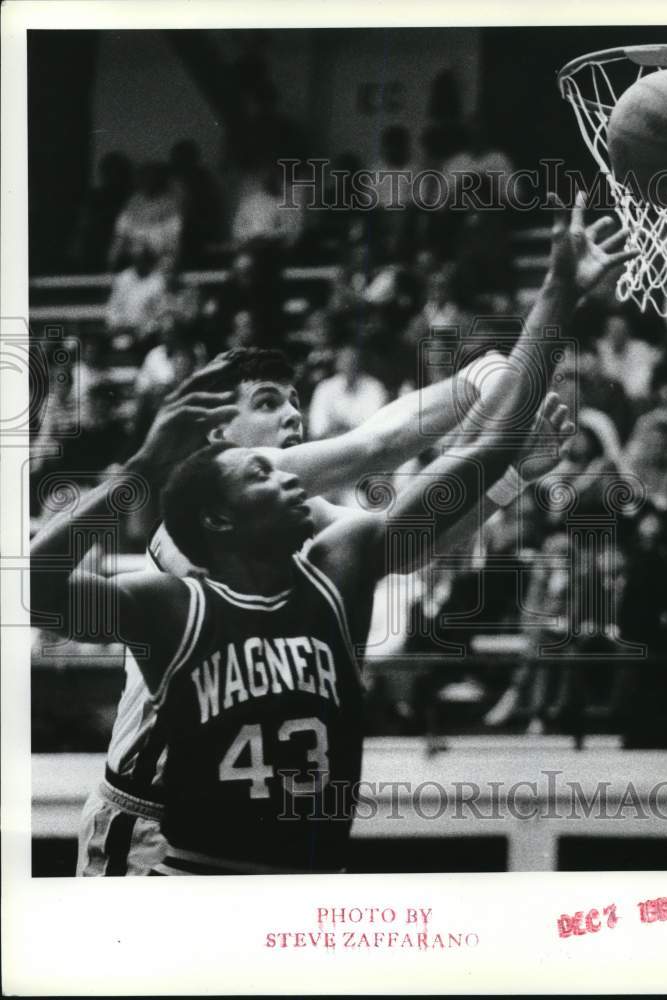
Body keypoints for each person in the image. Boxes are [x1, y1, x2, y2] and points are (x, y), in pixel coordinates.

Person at [32, 194, 635, 874]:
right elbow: (370, 447)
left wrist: (506, 470)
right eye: (265, 405)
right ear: (213, 440)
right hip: (158, 821)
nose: (290, 418)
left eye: (293, 402)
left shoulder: (315, 543)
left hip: (288, 851)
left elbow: (413, 537)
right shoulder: (187, 544)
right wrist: (473, 383)